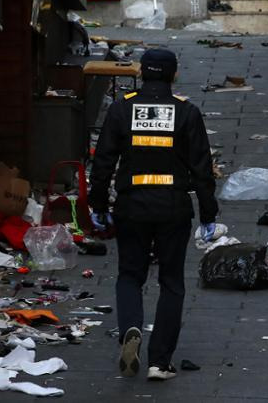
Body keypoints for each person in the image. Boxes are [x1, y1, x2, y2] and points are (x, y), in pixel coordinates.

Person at [88, 48, 219, 381]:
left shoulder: (121, 109)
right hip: (173, 207)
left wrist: (99, 205)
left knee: (130, 276)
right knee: (171, 283)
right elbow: (203, 170)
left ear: (141, 73)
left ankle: (131, 328)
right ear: (173, 75)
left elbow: (102, 163)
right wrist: (207, 214)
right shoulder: (187, 112)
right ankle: (160, 362)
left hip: (131, 206)